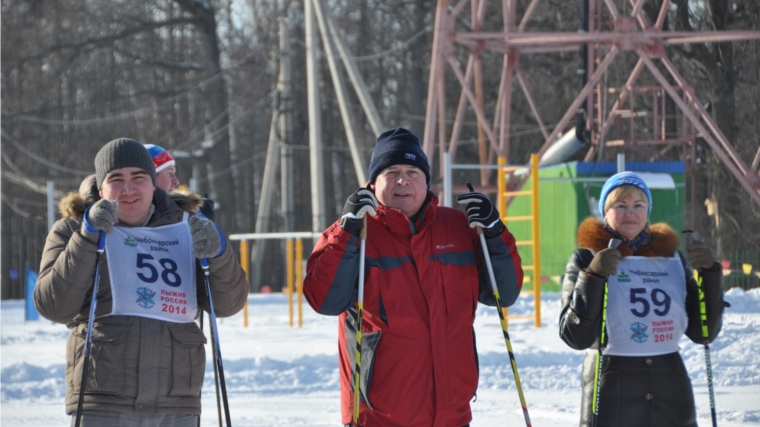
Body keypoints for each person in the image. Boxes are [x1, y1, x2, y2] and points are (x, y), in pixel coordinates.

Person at [303, 127, 524, 427]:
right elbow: (325, 300)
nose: (403, 179)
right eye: (391, 171)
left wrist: (496, 232)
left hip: (452, 416)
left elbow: (504, 292)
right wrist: (346, 232)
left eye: (413, 171)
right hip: (378, 418)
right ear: (372, 183)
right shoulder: (356, 231)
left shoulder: (458, 227)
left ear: (426, 181)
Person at [34, 138, 248, 426]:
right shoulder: (71, 229)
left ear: (153, 184)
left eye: (139, 178)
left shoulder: (188, 228)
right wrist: (86, 237)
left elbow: (229, 304)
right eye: (116, 179)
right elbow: (53, 306)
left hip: (177, 403)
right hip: (104, 401)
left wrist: (219, 252)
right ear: (101, 189)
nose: (129, 188)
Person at [558, 171, 725, 427]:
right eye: (620, 205)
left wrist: (710, 276)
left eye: (638, 205)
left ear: (647, 211)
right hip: (611, 389)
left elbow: (703, 332)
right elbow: (575, 336)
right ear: (605, 211)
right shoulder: (586, 257)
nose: (630, 213)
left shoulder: (671, 258)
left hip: (671, 389)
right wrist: (592, 275)